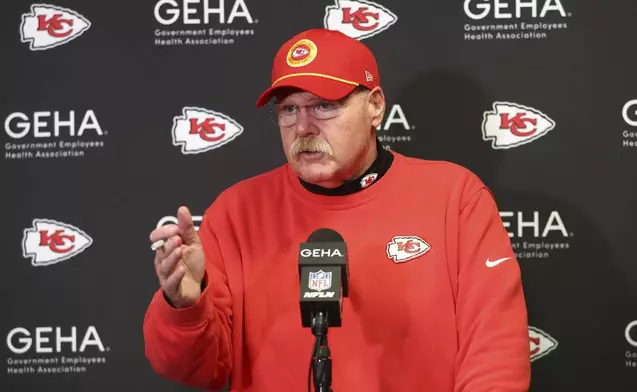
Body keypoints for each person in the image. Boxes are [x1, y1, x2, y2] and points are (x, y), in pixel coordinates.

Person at [143, 28, 531, 392]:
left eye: (324, 106)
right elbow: (196, 369)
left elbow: (497, 354)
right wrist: (185, 306)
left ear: (375, 107)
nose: (303, 127)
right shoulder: (236, 212)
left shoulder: (455, 197)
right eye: (289, 110)